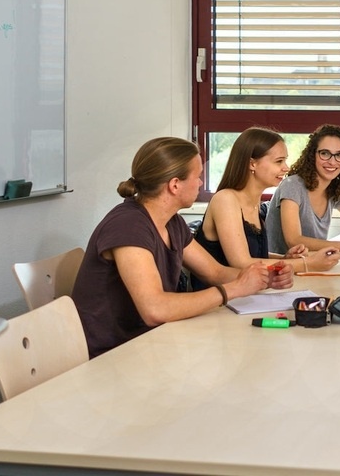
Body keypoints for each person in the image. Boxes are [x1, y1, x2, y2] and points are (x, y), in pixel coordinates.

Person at [71, 137, 292, 358]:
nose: (200, 183)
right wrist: (233, 289)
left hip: (149, 343)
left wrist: (264, 277)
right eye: (197, 177)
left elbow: (214, 272)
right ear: (175, 184)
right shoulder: (128, 226)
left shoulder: (171, 221)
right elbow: (155, 309)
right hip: (112, 355)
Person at [192, 127, 340, 281]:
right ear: (252, 164)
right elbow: (241, 263)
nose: (286, 168)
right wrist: (308, 263)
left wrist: (285, 259)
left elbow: (254, 256)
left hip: (249, 291)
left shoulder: (255, 202)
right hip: (221, 294)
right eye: (279, 161)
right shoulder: (225, 199)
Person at [267, 124, 340, 254]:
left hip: (313, 262)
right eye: (325, 153)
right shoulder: (292, 185)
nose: (332, 162)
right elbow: (294, 241)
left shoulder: (334, 189)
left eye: (339, 155)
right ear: (312, 155)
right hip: (284, 265)